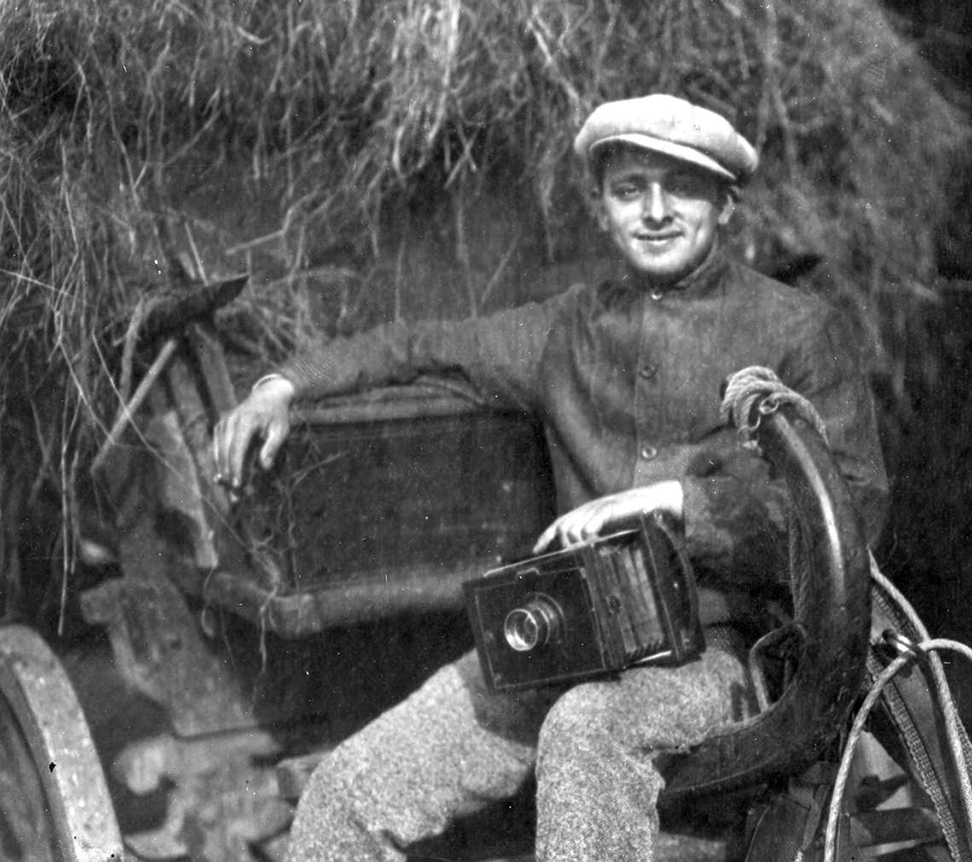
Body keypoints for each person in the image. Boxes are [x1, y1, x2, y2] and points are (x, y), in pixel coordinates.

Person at [213, 93, 889, 862]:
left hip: (728, 657)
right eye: (631, 190)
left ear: (726, 204)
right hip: (567, 643)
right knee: (345, 796)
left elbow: (854, 513)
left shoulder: (797, 332)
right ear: (602, 209)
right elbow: (423, 347)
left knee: (586, 727)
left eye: (683, 188)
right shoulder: (564, 330)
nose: (656, 211)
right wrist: (285, 385)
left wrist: (678, 502)